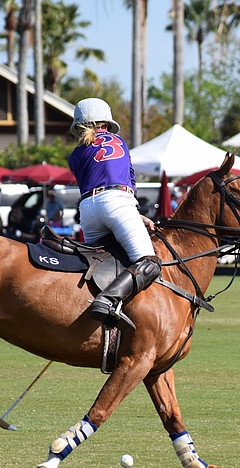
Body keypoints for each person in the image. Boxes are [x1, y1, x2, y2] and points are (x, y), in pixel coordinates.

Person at [68, 97, 160, 330]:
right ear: (105, 124)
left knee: (100, 266)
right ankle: (109, 301)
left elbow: (95, 191)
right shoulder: (118, 141)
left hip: (88, 209)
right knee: (149, 263)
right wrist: (134, 213)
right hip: (118, 203)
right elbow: (124, 184)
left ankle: (96, 315)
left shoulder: (75, 155)